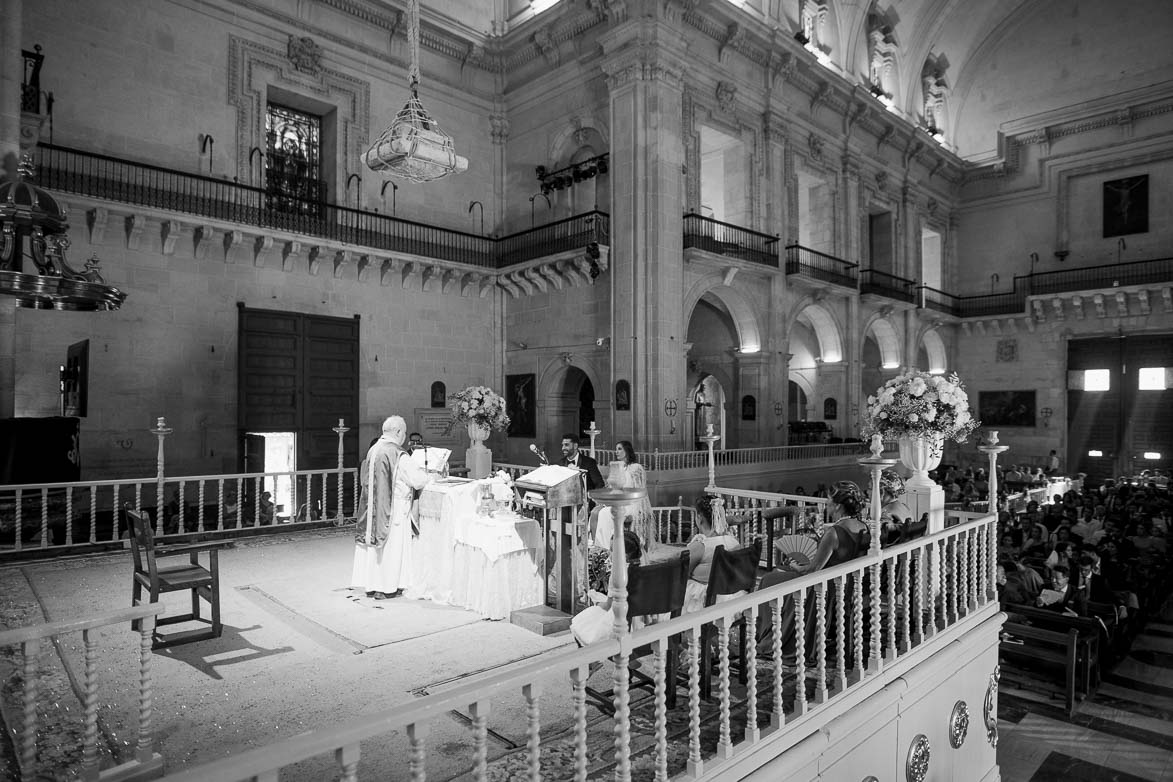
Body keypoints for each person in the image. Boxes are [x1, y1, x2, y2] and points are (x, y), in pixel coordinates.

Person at [351, 416, 431, 599]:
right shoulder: (397, 454)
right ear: (397, 432)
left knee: (376, 549)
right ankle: (388, 586)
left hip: (373, 508)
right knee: (392, 548)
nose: (404, 437)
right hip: (393, 509)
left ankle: (372, 585)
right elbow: (417, 480)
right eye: (403, 433)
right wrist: (428, 476)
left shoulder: (373, 450)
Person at [682, 494, 746, 615]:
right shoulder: (733, 541)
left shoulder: (701, 545)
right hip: (731, 594)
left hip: (705, 601)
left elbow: (680, 573)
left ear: (699, 518)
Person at [591, 440, 657, 554]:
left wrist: (639, 509)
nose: (616, 451)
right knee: (595, 511)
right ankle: (597, 547)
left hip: (631, 503)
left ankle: (607, 548)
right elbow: (612, 489)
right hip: (618, 501)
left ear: (627, 450)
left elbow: (640, 489)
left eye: (620, 449)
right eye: (616, 449)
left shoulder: (636, 468)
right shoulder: (617, 467)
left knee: (603, 514)